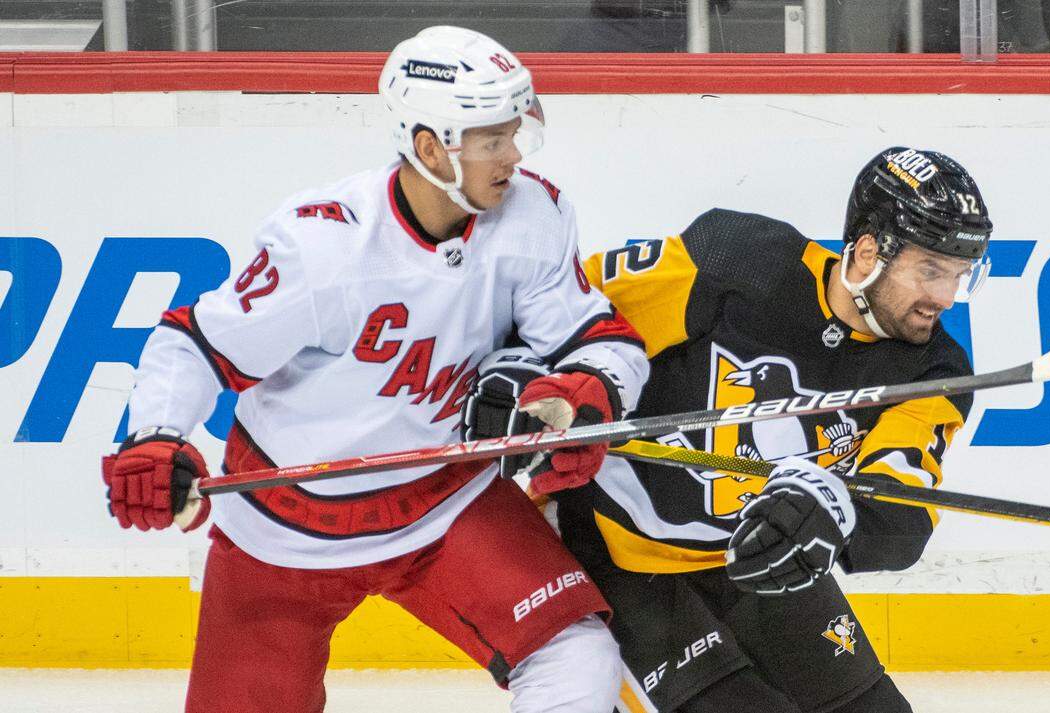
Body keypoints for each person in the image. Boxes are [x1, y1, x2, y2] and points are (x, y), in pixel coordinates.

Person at [100, 25, 649, 713]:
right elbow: (195, 342)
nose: (512, 154)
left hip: (444, 498)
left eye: (515, 133)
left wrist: (584, 395)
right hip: (285, 522)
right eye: (491, 140)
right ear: (429, 147)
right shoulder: (323, 246)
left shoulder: (533, 216)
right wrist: (153, 434)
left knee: (577, 655)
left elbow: (598, 340)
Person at [467, 147, 992, 711]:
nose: (943, 297)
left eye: (959, 275)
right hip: (615, 552)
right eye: (930, 270)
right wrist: (517, 377)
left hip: (754, 560)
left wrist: (836, 508)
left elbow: (903, 509)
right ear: (867, 253)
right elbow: (568, 315)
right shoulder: (739, 261)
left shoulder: (933, 370)